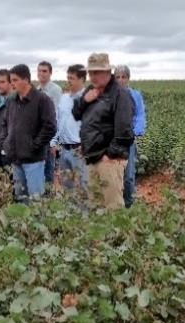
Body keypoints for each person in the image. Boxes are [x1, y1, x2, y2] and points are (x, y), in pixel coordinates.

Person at [72, 53, 134, 209]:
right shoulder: (91, 91)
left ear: (107, 72)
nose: (92, 76)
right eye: (90, 72)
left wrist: (109, 155)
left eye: (96, 72)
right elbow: (76, 113)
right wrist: (85, 101)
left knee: (113, 208)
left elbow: (125, 131)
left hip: (109, 160)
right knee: (96, 206)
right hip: (93, 157)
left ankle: (118, 234)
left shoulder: (120, 94)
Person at [4, 64, 57, 201]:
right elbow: (7, 124)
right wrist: (8, 143)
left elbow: (50, 127)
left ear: (26, 80)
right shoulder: (12, 101)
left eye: (15, 80)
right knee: (21, 199)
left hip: (34, 160)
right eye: (11, 81)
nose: (12, 84)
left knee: (36, 200)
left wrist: (34, 145)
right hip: (16, 159)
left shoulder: (42, 100)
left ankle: (39, 222)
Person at [114, 65, 146, 208]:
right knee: (113, 175)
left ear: (128, 78)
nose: (121, 80)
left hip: (128, 141)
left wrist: (136, 131)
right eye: (118, 77)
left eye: (123, 77)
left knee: (128, 176)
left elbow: (140, 115)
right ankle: (114, 205)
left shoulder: (135, 95)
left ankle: (129, 205)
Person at [52, 64, 88, 191]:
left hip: (80, 151)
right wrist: (53, 142)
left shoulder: (88, 99)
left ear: (82, 79)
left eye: (72, 78)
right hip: (64, 150)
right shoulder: (64, 98)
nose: (68, 81)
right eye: (68, 77)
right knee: (67, 188)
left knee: (83, 188)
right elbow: (58, 121)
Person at [37, 61, 63, 187]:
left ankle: (48, 203)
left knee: (48, 173)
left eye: (44, 71)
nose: (41, 73)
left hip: (49, 139)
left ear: (50, 73)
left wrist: (54, 142)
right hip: (38, 139)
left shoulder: (55, 90)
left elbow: (58, 116)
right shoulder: (36, 90)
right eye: (39, 71)